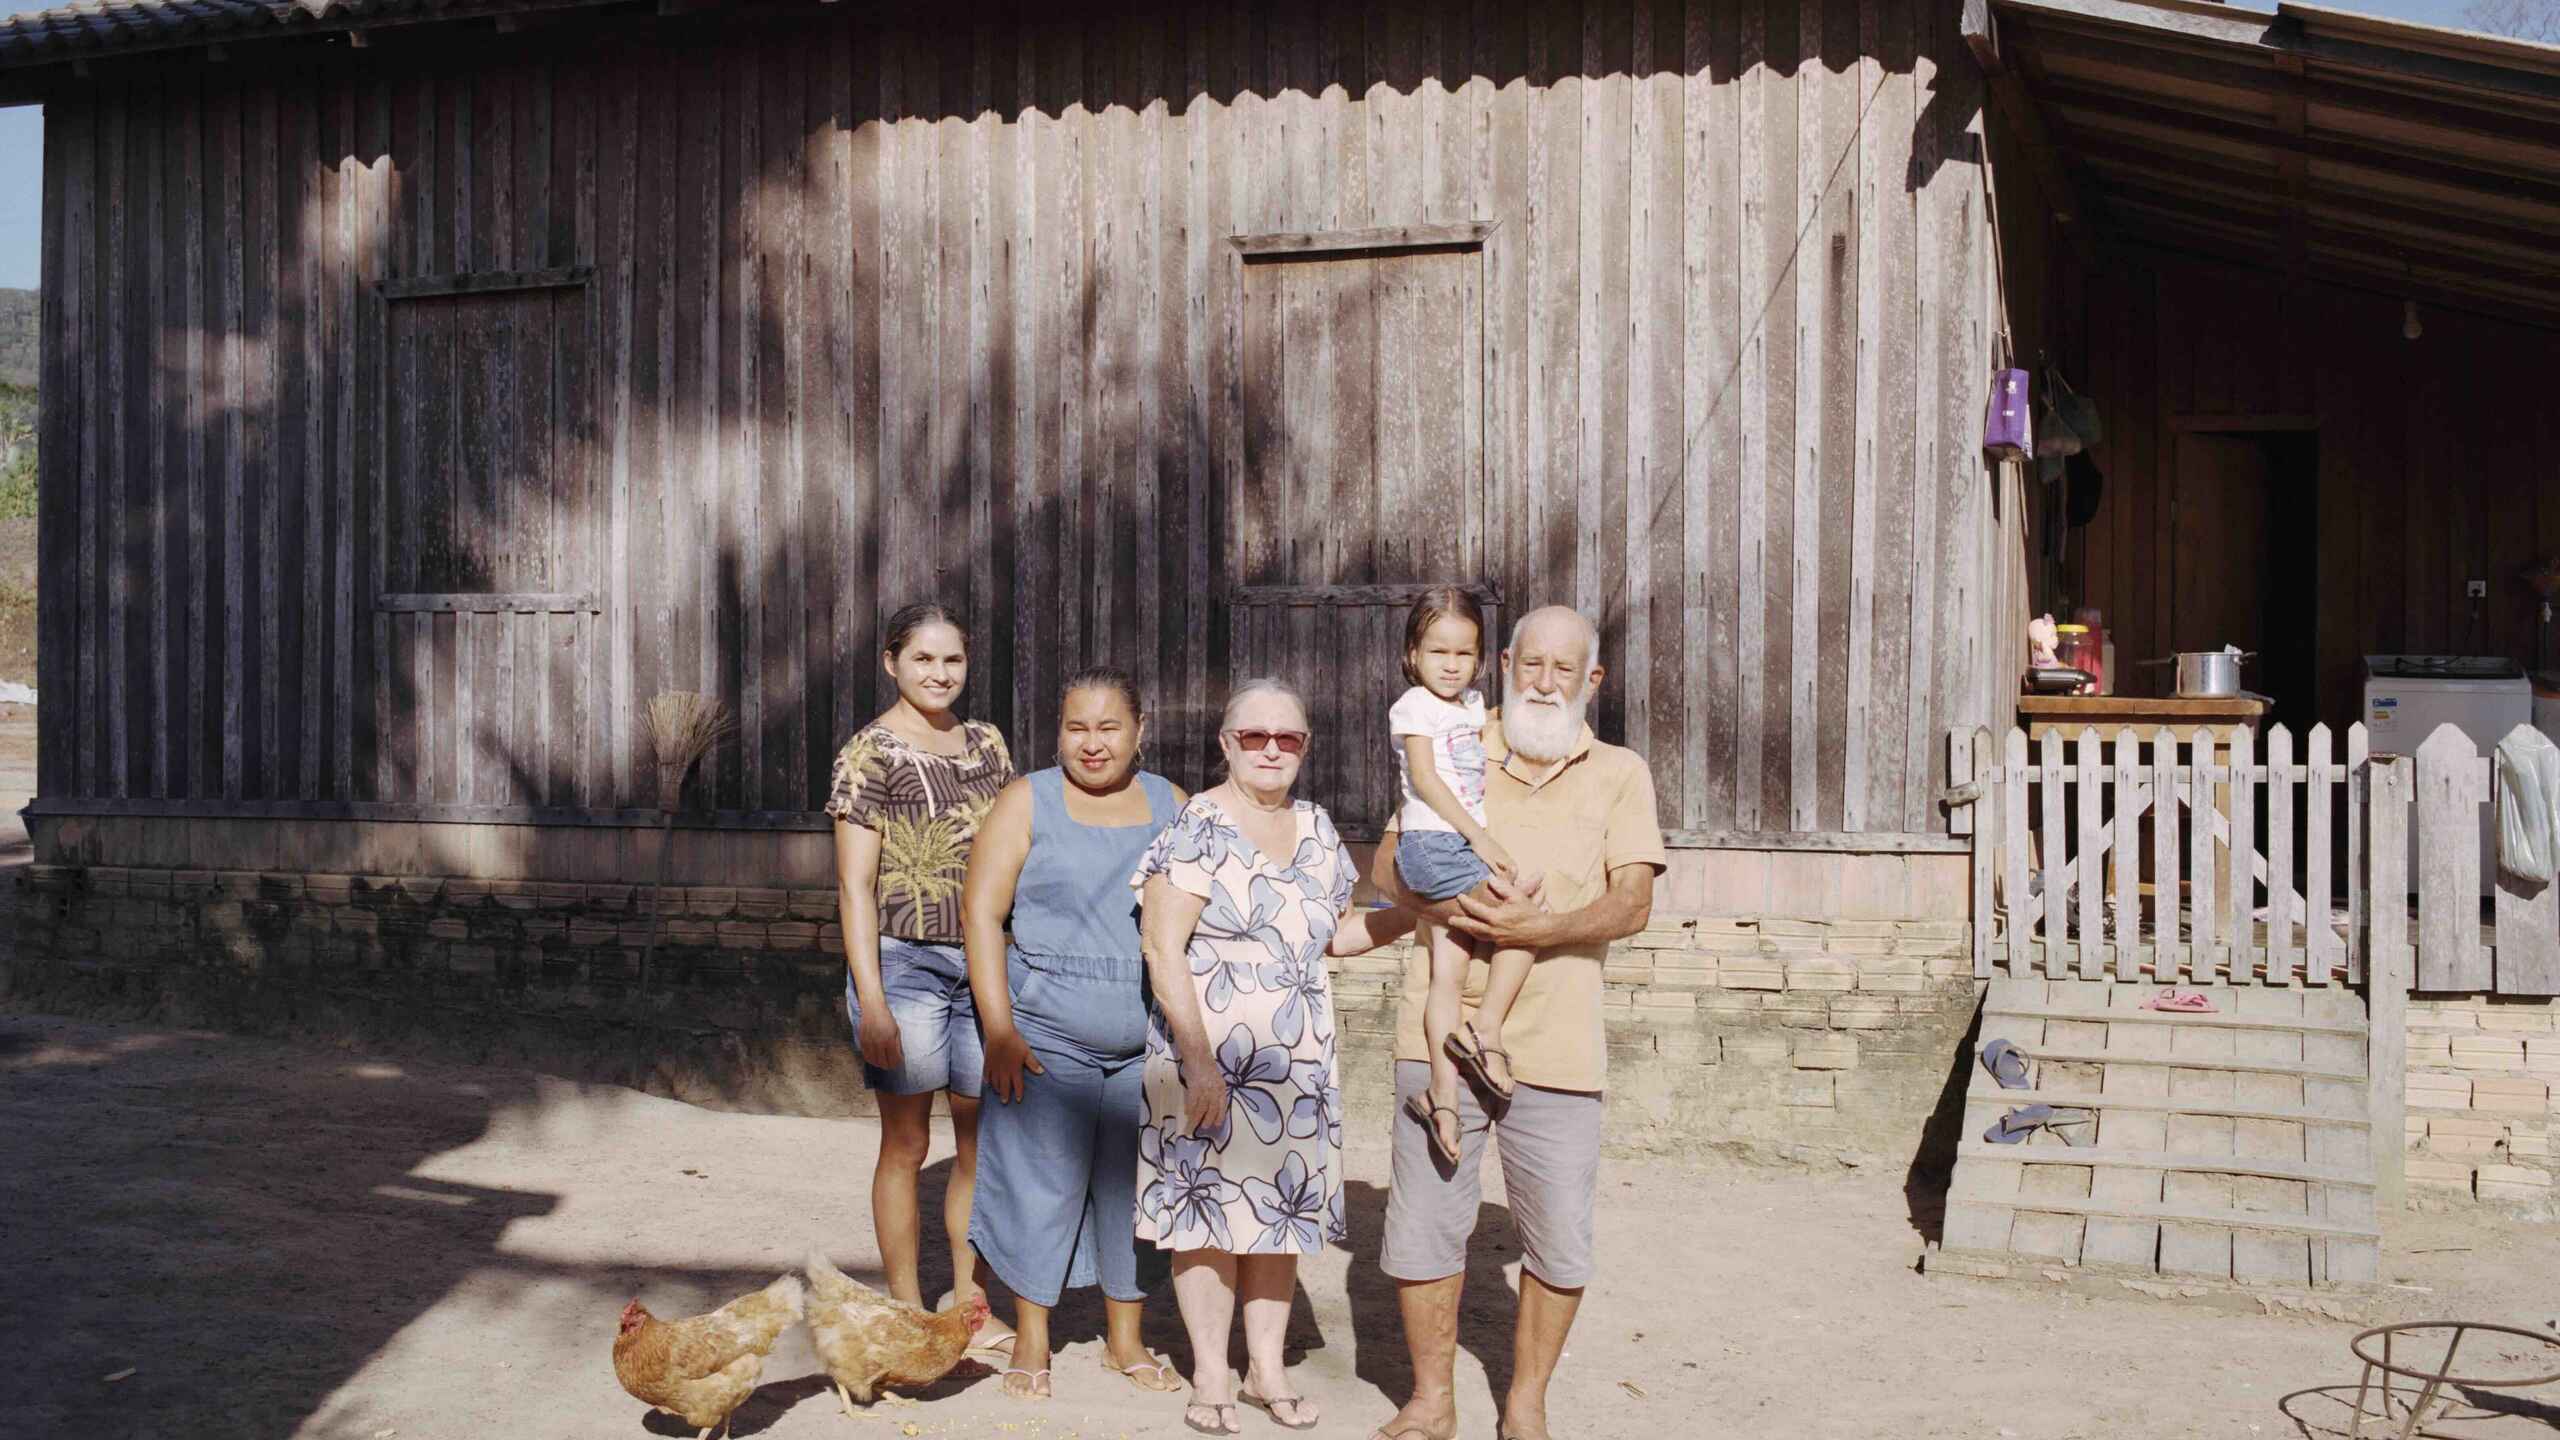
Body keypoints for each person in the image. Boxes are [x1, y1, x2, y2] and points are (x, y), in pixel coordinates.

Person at [1366, 606, 1665, 1440]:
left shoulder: (1619, 772)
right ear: (1504, 663)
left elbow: (1633, 901)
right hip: (1441, 1038)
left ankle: (1526, 1401)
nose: (1544, 681)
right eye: (1530, 664)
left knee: (1560, 1240)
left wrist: (1540, 930)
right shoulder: (1456, 736)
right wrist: (1452, 900)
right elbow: (1387, 863)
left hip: (1562, 1044)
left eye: (1564, 670)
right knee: (1425, 1226)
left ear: (1592, 681)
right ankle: (1431, 1400)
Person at [1134, 678, 1416, 1436]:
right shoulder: (1198, 824)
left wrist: (1413, 916)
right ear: (1226, 744)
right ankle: (1212, 1376)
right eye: (1253, 736)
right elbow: (1161, 948)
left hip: (1296, 1065)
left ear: (1304, 749)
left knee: (1276, 1221)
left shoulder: (1318, 829)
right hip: (1208, 1057)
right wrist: (1198, 1063)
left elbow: (1336, 936)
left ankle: (1265, 1368)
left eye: (1286, 738)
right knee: (1207, 1221)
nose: (1269, 750)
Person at [960, 668, 1186, 1403]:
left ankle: (1126, 1338)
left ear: (1140, 730)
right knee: (1040, 1186)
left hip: (1146, 1040)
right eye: (1076, 727)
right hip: (1044, 1032)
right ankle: (1032, 1338)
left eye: (1108, 727)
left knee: (1134, 1192)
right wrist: (998, 1027)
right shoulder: (1026, 800)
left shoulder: (1171, 806)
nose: (1091, 744)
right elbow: (982, 917)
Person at [826, 601, 1015, 1353]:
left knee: (977, 1143)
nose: (940, 674)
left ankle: (970, 1305)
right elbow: (852, 888)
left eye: (953, 661)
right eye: (924, 659)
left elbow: (1009, 851)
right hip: (902, 965)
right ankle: (906, 1310)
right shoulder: (867, 753)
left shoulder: (988, 744)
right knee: (906, 1144)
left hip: (983, 963)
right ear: (891, 662)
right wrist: (871, 1000)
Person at [1387, 586, 1539, 1163]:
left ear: (1479, 658)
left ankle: (1442, 1098)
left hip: (1454, 844)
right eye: (1437, 652)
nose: (1450, 665)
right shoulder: (1413, 707)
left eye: (1463, 654)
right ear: (1413, 655)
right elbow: (1425, 779)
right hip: (1435, 843)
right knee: (1524, 918)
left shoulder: (1472, 707)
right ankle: (1487, 1031)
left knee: (1445, 978)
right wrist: (1480, 837)